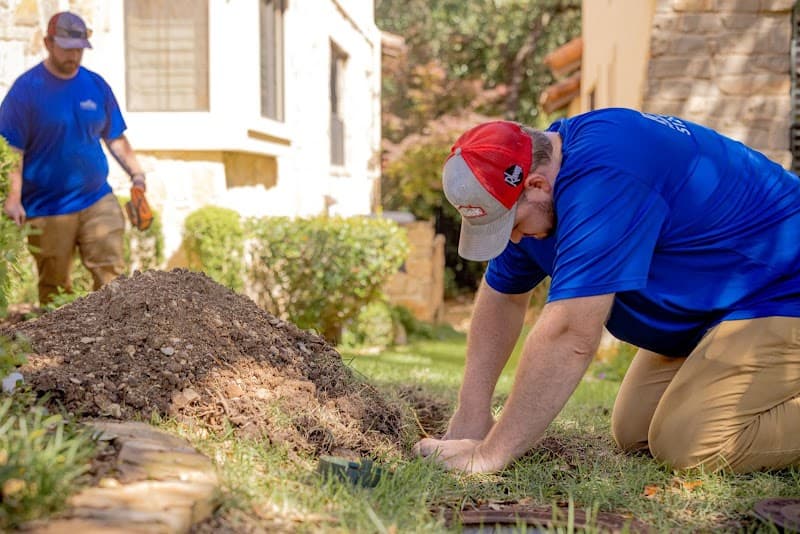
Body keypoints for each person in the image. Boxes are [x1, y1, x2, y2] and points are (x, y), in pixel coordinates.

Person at [414, 108, 800, 474]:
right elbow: (503, 297)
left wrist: (488, 455)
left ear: (535, 184)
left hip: (782, 288)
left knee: (690, 443)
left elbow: (570, 335)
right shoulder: (533, 185)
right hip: (717, 308)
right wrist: (472, 412)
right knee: (635, 432)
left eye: (510, 224)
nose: (511, 239)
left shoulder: (607, 175)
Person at [0, 11, 147, 305]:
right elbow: (13, 149)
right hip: (47, 206)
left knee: (112, 277)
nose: (73, 55)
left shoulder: (96, 85)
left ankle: (115, 342)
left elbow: (115, 137)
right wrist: (13, 198)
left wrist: (137, 175)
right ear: (47, 43)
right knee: (55, 289)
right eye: (67, 48)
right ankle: (56, 351)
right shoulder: (26, 91)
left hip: (97, 197)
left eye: (78, 49)